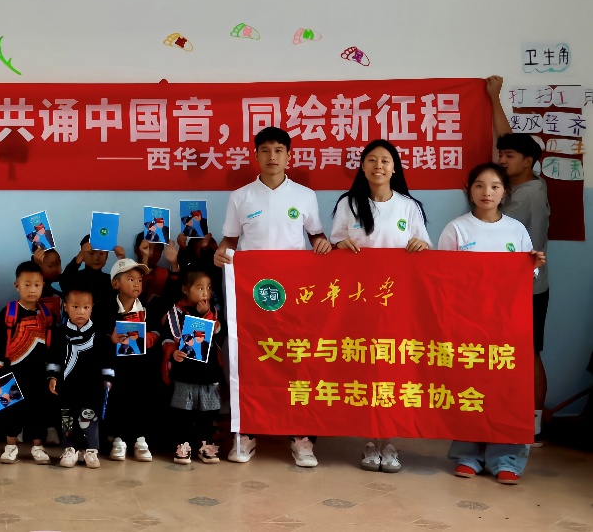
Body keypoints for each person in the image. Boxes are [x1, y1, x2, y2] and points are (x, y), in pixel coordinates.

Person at [213, 126, 332, 466]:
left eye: (279, 150)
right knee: (252, 360)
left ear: (289, 156)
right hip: (254, 295)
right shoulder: (241, 197)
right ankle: (247, 433)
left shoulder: (305, 196)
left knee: (296, 359)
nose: (272, 157)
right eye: (265, 150)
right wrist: (220, 252)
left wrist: (322, 244)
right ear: (256, 156)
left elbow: (317, 236)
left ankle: (300, 436)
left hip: (295, 295)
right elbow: (230, 241)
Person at [439, 163, 546, 485]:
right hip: (468, 324)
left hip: (507, 325)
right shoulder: (456, 229)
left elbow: (527, 276)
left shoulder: (516, 230)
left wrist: (533, 264)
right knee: (469, 388)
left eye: (495, 186)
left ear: (504, 192)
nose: (487, 192)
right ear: (469, 190)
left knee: (506, 391)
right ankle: (467, 455)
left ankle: (507, 459)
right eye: (480, 185)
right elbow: (442, 277)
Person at [329, 138, 431, 472]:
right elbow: (334, 242)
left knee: (392, 368)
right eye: (371, 160)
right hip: (358, 300)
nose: (378, 166)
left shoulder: (409, 206)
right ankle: (370, 441)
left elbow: (425, 247)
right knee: (364, 367)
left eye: (385, 160)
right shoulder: (348, 203)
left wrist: (420, 245)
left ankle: (389, 442)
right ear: (362, 167)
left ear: (395, 168)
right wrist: (339, 245)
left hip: (397, 301)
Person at [488, 76, 552, 443]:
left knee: (529, 352)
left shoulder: (528, 195)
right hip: (509, 288)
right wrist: (494, 98)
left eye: (508, 157)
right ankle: (515, 417)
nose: (501, 160)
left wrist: (478, 197)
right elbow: (507, 139)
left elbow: (529, 248)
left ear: (527, 162)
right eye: (500, 155)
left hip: (526, 289)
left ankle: (534, 422)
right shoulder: (524, 179)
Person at [0, 260, 57, 465]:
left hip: (39, 374)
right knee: (11, 411)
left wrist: (52, 374)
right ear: (17, 286)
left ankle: (38, 447)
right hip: (12, 373)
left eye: (37, 285)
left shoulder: (48, 316)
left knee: (38, 411)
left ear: (43, 285)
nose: (32, 289)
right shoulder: (8, 313)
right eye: (27, 284)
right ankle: (10, 446)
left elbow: (53, 348)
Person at [100, 258, 159, 462]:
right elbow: (97, 335)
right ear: (116, 283)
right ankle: (119, 439)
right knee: (118, 400)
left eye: (139, 280)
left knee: (140, 399)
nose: (136, 284)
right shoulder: (106, 309)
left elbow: (158, 332)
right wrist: (110, 339)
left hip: (140, 366)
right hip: (116, 366)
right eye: (131, 279)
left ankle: (140, 439)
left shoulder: (147, 308)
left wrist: (150, 337)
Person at [162, 270, 224, 465]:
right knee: (183, 411)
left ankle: (205, 443)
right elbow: (167, 338)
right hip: (185, 372)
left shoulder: (213, 311)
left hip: (208, 371)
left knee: (207, 411)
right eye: (200, 288)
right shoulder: (176, 312)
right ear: (185, 290)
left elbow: (218, 333)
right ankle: (183, 444)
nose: (205, 292)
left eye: (208, 288)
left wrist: (206, 315)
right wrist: (172, 352)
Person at [47, 287, 112, 469]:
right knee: (67, 418)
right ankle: (70, 449)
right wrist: (52, 377)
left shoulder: (99, 334)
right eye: (75, 307)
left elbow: (106, 358)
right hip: (67, 386)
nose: (81, 312)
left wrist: (107, 378)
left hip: (92, 386)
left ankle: (91, 450)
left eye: (86, 307)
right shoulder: (60, 334)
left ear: (92, 308)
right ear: (66, 307)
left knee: (89, 417)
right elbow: (54, 359)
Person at [62, 235, 126, 314]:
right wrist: (80, 256)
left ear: (107, 256)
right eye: (91, 253)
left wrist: (122, 259)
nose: (96, 258)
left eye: (101, 253)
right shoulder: (75, 278)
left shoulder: (111, 280)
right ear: (82, 256)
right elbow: (64, 282)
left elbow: (128, 287)